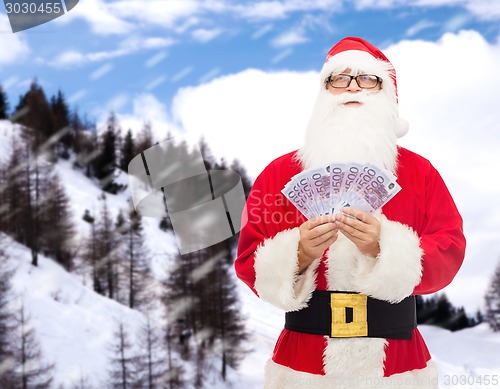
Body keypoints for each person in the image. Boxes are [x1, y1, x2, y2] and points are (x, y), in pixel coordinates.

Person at [234, 37, 466, 388]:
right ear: (323, 93)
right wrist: (298, 253)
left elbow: (450, 251)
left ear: (387, 95)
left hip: (398, 363)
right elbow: (248, 260)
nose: (352, 87)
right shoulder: (280, 174)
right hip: (302, 364)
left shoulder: (421, 174)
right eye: (339, 78)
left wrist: (384, 248)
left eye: (368, 79)